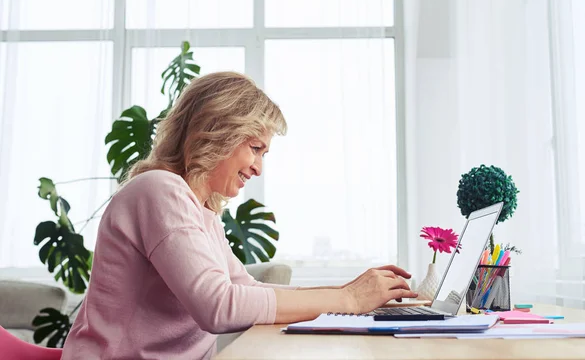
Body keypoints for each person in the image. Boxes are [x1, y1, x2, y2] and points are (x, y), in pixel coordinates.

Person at [61, 71, 418, 359]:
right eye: (255, 148)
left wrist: (349, 293)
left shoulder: (199, 209)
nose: (259, 168)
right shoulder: (159, 190)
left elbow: (245, 289)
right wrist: (349, 300)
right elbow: (219, 306)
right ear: (218, 132)